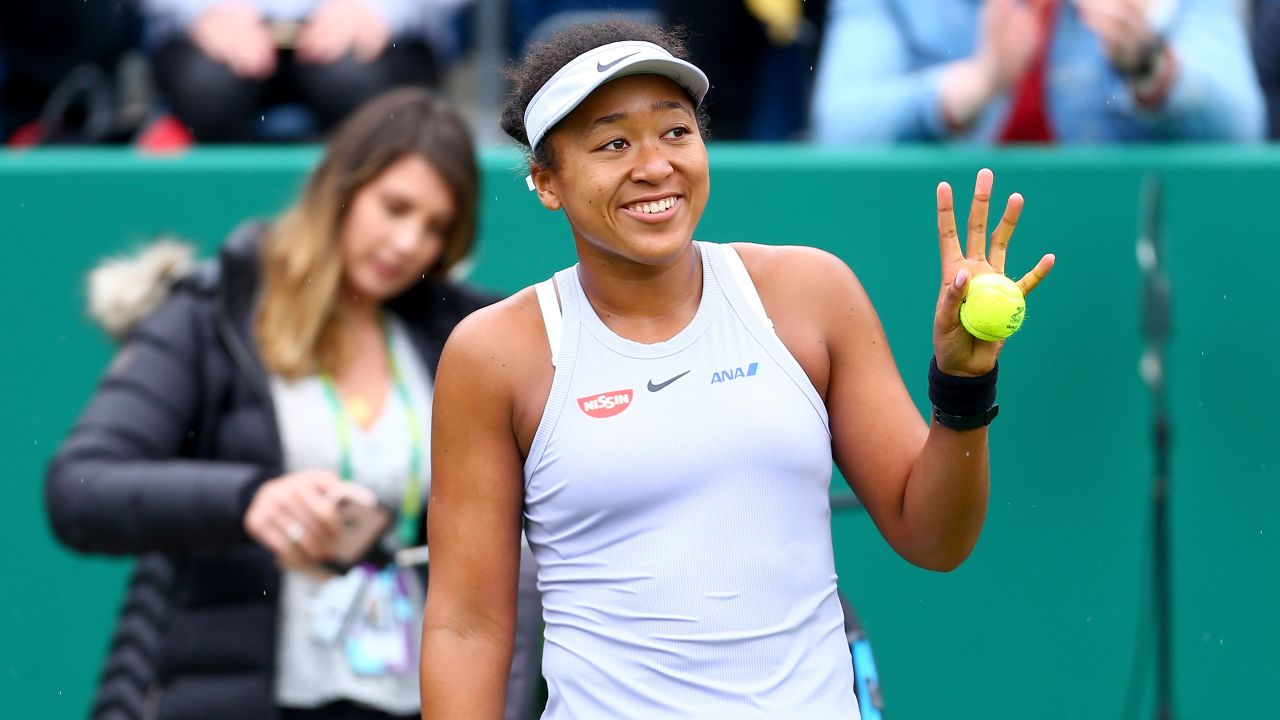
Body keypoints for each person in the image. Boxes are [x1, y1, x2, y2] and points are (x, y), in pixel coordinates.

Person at [420, 19, 1054, 719]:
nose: (655, 165)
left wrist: (962, 388)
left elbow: (934, 538)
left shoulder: (813, 293)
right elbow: (466, 627)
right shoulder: (493, 354)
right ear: (547, 182)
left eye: (675, 131)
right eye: (613, 144)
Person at [46, 88, 542, 720]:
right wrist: (250, 498)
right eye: (394, 207)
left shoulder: (457, 334)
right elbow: (81, 489)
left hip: (405, 696)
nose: (408, 242)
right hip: (230, 695)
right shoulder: (210, 313)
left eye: (436, 227)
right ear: (342, 185)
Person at [810, 0, 1265, 144]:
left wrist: (1150, 66)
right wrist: (972, 86)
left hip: (1112, 252)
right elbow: (839, 125)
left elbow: (1243, 126)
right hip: (943, 266)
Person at [141, 0, 469, 141]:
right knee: (209, 90)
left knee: (355, 88)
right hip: (214, 32)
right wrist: (200, 9)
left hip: (379, 33)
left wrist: (382, 9)